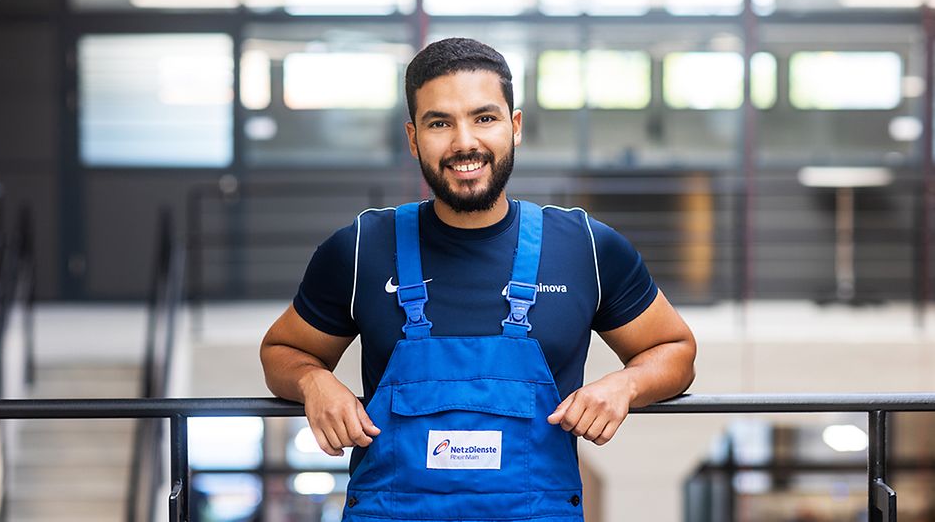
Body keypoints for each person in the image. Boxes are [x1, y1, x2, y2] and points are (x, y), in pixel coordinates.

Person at [261, 37, 696, 522]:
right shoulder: (361, 248)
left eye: (484, 118)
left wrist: (626, 385)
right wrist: (314, 382)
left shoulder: (586, 248)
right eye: (439, 123)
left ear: (515, 127)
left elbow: (676, 351)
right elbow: (281, 352)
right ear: (412, 138)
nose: (463, 142)